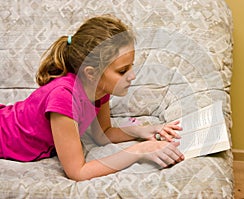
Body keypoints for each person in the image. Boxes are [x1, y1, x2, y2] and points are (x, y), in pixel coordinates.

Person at [0, 15, 184, 181]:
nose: (132, 76)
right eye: (122, 71)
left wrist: (144, 131)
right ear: (91, 73)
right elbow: (77, 172)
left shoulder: (99, 89)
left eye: (130, 67)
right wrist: (138, 151)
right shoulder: (64, 98)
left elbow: (102, 134)